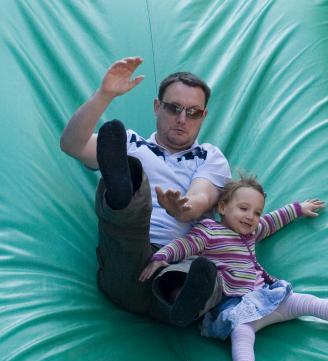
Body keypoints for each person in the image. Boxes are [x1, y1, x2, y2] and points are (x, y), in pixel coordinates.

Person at [139, 175, 328, 361]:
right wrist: (162, 257)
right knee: (242, 333)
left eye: (256, 212)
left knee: (307, 302)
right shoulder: (210, 230)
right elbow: (186, 244)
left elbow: (273, 220)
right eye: (244, 209)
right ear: (223, 207)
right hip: (235, 304)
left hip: (266, 297)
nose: (251, 217)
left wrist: (298, 209)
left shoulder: (251, 233)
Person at [60, 56, 231, 326]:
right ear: (156, 107)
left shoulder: (210, 157)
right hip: (127, 264)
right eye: (173, 108)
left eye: (193, 112)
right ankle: (124, 192)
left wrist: (184, 209)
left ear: (203, 116)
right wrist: (104, 95)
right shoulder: (128, 143)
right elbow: (71, 144)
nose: (182, 119)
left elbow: (202, 196)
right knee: (132, 192)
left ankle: (181, 301)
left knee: (202, 274)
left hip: (176, 262)